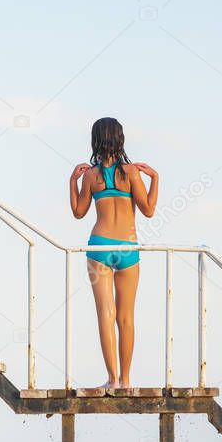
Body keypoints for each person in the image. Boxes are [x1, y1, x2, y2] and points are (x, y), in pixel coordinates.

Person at [69, 118, 159, 390]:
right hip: (128, 247)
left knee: (105, 314)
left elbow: (78, 212)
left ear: (95, 140)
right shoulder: (131, 173)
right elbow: (149, 210)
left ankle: (112, 378)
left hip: (99, 247)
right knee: (126, 317)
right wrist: (155, 178)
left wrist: (72, 180)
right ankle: (126, 381)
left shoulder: (91, 175)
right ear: (120, 139)